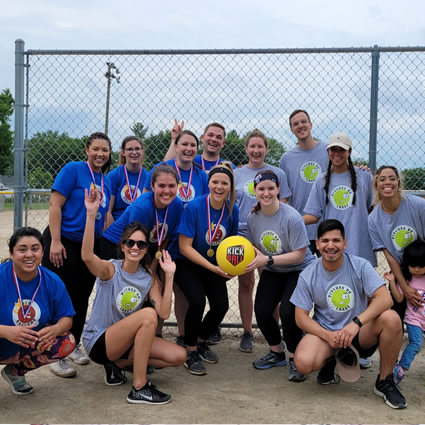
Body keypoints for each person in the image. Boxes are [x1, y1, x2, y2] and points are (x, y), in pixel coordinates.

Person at [81, 188, 186, 404]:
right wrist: (91, 215)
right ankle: (139, 386)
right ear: (123, 246)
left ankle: (117, 365)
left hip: (124, 343)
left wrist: (170, 275)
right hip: (99, 341)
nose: (135, 247)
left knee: (179, 356)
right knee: (147, 315)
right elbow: (86, 256)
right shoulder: (111, 270)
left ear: (147, 249)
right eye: (130, 243)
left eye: (141, 244)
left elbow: (164, 312)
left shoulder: (148, 277)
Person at [291, 219, 407, 410]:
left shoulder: (360, 265)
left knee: (392, 319)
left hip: (358, 332)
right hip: (328, 334)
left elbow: (385, 298)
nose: (331, 245)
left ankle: (385, 381)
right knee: (303, 363)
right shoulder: (308, 273)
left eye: (336, 240)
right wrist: (327, 335)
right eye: (325, 241)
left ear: (345, 243)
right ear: (317, 244)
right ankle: (330, 360)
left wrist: (355, 324)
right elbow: (300, 317)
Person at [42, 132, 112, 378]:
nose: (100, 154)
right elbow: (55, 205)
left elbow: (106, 218)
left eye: (104, 150)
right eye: (96, 149)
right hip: (64, 241)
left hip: (87, 245)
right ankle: (53, 353)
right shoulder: (73, 170)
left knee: (82, 296)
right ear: (87, 150)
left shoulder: (106, 180)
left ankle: (71, 345)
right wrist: (56, 241)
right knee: (61, 295)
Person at [246, 170, 315, 381]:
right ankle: (277, 353)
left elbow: (300, 254)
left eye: (271, 188)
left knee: (288, 311)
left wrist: (267, 261)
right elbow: (255, 249)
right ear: (255, 191)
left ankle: (295, 357)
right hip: (274, 269)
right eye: (261, 189)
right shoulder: (253, 217)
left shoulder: (292, 217)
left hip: (299, 268)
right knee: (263, 309)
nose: (266, 193)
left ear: (278, 190)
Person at [172, 163, 239, 375]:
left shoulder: (232, 209)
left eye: (224, 183)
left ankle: (200, 341)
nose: (219, 187)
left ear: (230, 187)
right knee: (197, 300)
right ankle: (189, 350)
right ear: (208, 183)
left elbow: (232, 243)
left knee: (221, 305)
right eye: (215, 182)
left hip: (213, 263)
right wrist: (213, 268)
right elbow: (184, 247)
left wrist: (231, 267)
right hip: (186, 260)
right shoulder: (194, 207)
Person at [234, 129, 291, 352]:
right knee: (246, 283)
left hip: (269, 233)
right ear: (246, 148)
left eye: (260, 146)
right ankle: (247, 331)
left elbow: (283, 205)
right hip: (242, 233)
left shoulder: (278, 173)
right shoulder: (238, 173)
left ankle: (273, 331)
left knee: (271, 284)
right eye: (252, 146)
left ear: (266, 149)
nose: (256, 150)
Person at [0, 227, 76, 396]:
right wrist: (6, 331)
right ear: (11, 254)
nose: (29, 254)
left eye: (35, 249)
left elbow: (67, 318)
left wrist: (55, 329)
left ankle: (15, 372)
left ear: (42, 252)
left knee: (66, 341)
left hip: (27, 344)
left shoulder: (52, 280)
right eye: (22, 249)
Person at [303, 132, 377, 267]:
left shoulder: (364, 176)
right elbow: (314, 214)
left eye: (342, 149)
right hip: (334, 245)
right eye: (333, 149)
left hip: (360, 243)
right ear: (328, 151)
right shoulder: (321, 180)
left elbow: (374, 209)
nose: (337, 153)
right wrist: (290, 221)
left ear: (349, 152)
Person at [368, 165, 425, 310]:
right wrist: (405, 287)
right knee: (395, 313)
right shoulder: (373, 219)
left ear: (398, 184)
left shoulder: (418, 205)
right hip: (402, 271)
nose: (387, 182)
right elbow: (390, 256)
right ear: (376, 185)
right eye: (382, 179)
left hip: (423, 265)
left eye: (392, 178)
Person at [279, 109, 328, 255]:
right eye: (296, 124)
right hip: (301, 228)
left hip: (326, 227)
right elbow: (283, 197)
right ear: (292, 129)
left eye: (303, 122)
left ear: (311, 124)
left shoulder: (328, 151)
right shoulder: (286, 159)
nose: (300, 126)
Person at [385, 239, 425, 384]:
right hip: (414, 319)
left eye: (421, 266)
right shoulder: (407, 280)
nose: (416, 270)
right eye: (413, 265)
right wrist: (391, 282)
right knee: (415, 344)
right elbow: (399, 298)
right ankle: (400, 369)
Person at [106, 136, 149, 224]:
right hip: (118, 222)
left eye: (137, 149)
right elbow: (108, 212)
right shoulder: (114, 176)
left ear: (142, 151)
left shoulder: (148, 177)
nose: (134, 152)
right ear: (123, 152)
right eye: (129, 149)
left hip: (139, 223)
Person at [164, 120, 235, 172]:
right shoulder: (189, 160)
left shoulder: (228, 167)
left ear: (223, 143)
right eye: (210, 135)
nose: (214, 139)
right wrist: (175, 139)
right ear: (202, 138)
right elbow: (166, 166)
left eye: (218, 137)